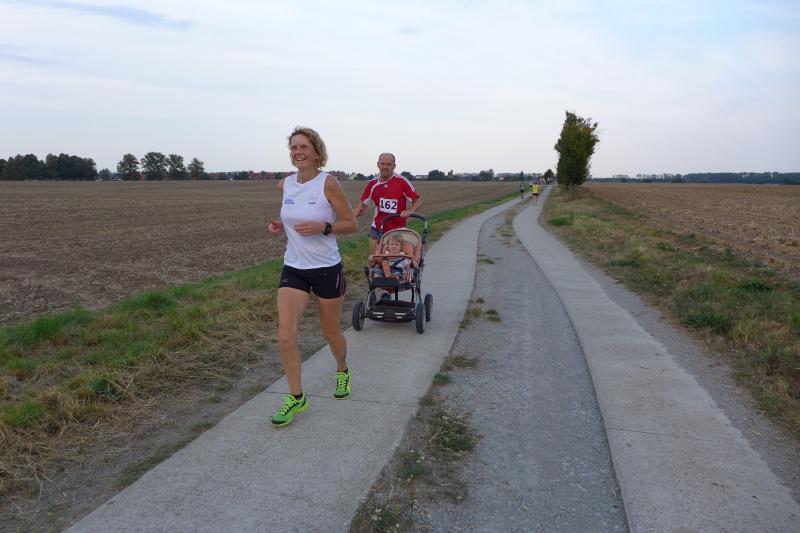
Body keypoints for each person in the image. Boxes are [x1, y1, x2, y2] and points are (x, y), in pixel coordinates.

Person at [267, 126, 358, 427]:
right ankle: (296, 397)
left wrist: (324, 227)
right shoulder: (285, 184)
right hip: (294, 268)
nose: (298, 152)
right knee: (286, 335)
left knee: (330, 332)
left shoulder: (328, 183)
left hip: (326, 268)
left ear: (317, 152)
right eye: (293, 147)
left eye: (303, 147)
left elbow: (351, 223)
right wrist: (280, 225)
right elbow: (291, 214)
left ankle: (342, 370)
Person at [354, 153, 421, 254]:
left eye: (388, 164)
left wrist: (410, 211)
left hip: (397, 229)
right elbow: (362, 205)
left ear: (394, 166)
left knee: (394, 258)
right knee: (375, 258)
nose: (385, 167)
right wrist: (351, 217)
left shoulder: (402, 182)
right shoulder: (373, 184)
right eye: (382, 164)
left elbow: (417, 201)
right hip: (378, 226)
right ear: (378, 165)